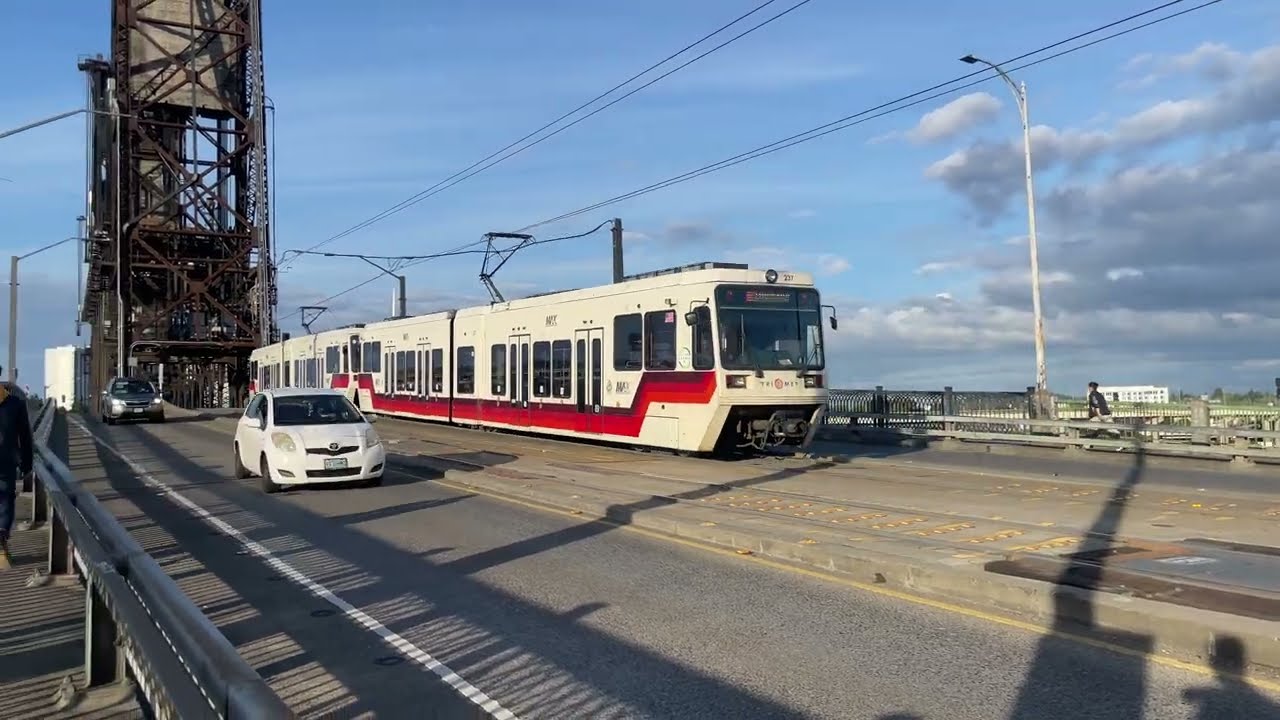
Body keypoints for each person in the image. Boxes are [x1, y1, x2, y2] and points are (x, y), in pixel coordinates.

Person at [0, 381, 34, 569]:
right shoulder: (15, 404)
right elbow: (25, 436)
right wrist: (27, 464)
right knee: (6, 500)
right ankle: (1, 538)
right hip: (6, 462)